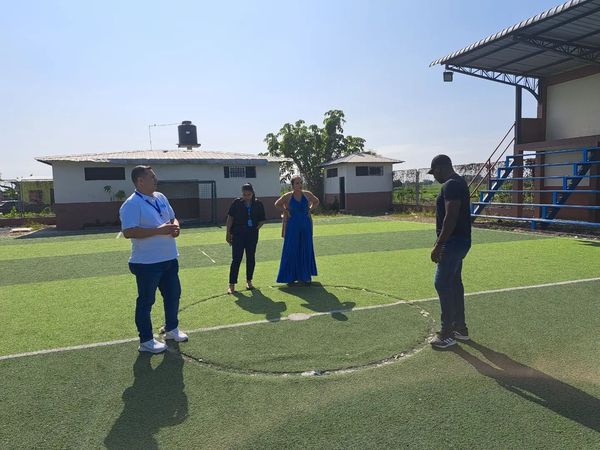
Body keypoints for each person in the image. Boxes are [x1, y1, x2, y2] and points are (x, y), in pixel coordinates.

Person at [119, 165, 188, 354]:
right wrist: (159, 230)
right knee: (146, 301)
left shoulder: (161, 197)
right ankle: (146, 341)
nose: (156, 180)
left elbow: (173, 218)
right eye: (151, 177)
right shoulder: (132, 204)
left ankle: (172, 329)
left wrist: (176, 227)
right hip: (147, 263)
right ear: (140, 181)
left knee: (173, 294)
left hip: (169, 258)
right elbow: (128, 231)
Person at [427, 154, 472, 349]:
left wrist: (439, 244)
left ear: (439, 168)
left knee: (442, 283)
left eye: (434, 173)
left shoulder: (451, 185)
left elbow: (451, 216)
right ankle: (460, 328)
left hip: (452, 242)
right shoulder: (460, 182)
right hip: (461, 241)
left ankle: (446, 333)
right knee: (454, 283)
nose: (434, 177)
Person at [275, 175, 319, 285]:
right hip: (292, 225)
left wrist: (310, 209)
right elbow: (277, 204)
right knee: (291, 249)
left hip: (305, 224)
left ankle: (305, 277)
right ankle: (290, 277)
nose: (300, 185)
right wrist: (286, 211)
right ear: (292, 185)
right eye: (297, 183)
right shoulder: (288, 196)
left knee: (305, 249)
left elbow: (316, 201)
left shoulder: (307, 194)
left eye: (301, 183)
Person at [225, 183, 266, 294]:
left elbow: (262, 219)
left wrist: (256, 228)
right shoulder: (236, 203)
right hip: (238, 234)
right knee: (236, 259)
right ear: (242, 194)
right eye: (244, 194)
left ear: (252, 193)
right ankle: (232, 285)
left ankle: (249, 281)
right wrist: (228, 233)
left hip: (252, 235)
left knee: (251, 258)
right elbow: (230, 218)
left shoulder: (258, 204)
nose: (247, 197)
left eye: (249, 194)